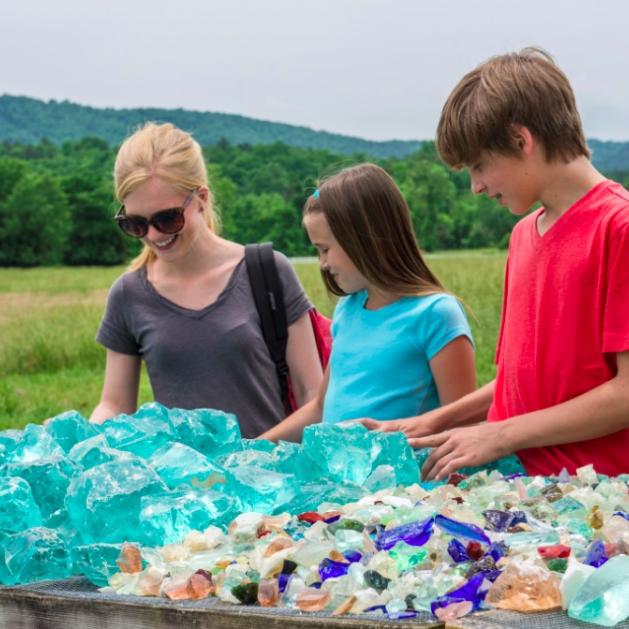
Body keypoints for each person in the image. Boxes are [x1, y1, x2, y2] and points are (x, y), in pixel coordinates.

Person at [364, 48, 629, 480]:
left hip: (592, 499)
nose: (476, 186)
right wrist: (436, 421)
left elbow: (626, 395)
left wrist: (499, 435)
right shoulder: (524, 235)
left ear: (522, 141)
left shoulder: (619, 226)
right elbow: (522, 386)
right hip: (515, 485)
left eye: (480, 166)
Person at [91, 122, 323, 438]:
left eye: (167, 218)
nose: (154, 236)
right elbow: (115, 404)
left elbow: (315, 398)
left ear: (201, 197)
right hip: (182, 485)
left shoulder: (267, 271)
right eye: (136, 224)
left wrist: (248, 457)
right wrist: (81, 439)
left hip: (269, 478)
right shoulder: (129, 294)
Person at [260, 163, 476, 443]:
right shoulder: (347, 311)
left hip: (404, 484)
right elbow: (319, 408)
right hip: (341, 483)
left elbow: (463, 425)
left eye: (325, 249)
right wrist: (252, 449)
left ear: (364, 240)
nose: (323, 264)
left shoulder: (436, 315)